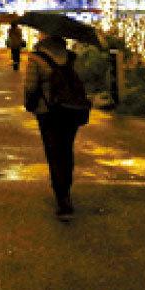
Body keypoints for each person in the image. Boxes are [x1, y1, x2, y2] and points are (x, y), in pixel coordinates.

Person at [23, 30, 90, 220]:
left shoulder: (36, 58)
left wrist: (30, 104)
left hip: (48, 112)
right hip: (70, 110)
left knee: (53, 152)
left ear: (45, 38)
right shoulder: (70, 57)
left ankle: (62, 197)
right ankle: (66, 189)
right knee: (66, 149)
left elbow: (30, 87)